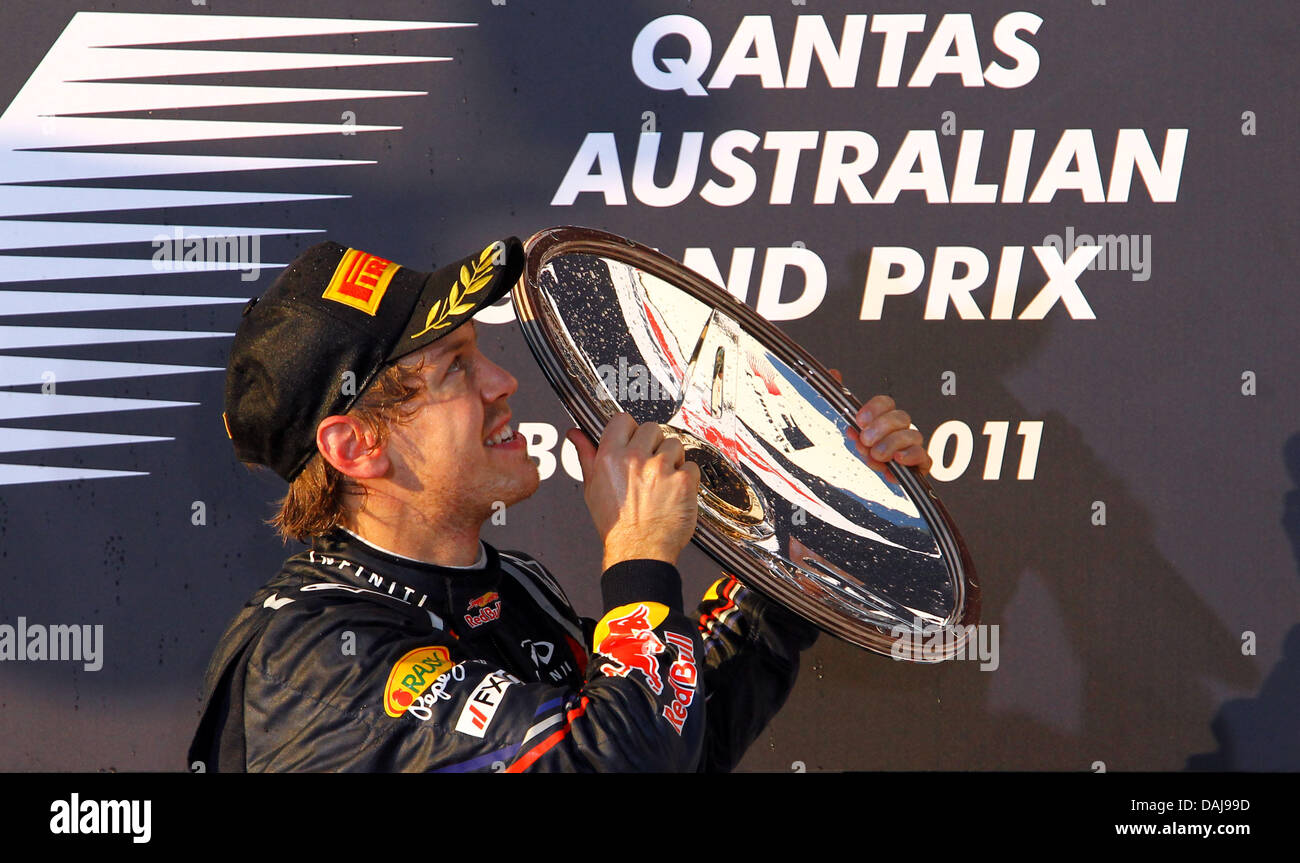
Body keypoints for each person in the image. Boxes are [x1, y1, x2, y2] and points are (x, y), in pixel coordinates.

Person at [188, 236, 931, 772]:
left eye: (483, 353)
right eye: (455, 369)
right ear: (356, 448)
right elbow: (620, 758)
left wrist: (811, 513)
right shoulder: (312, 659)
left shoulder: (510, 587)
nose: (503, 383)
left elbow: (680, 730)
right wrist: (639, 558)